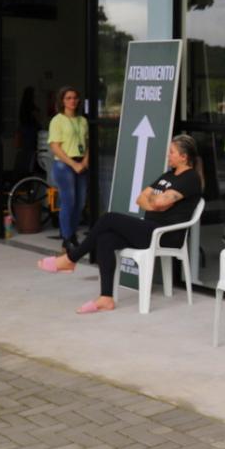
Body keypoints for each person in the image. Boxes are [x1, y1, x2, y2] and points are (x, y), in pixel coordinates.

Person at [36, 134, 203, 314]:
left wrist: (155, 200)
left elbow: (158, 202)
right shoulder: (169, 175)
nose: (167, 155)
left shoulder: (190, 178)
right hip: (148, 229)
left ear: (184, 157)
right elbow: (141, 198)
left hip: (164, 235)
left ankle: (71, 259)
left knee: (109, 218)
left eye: (171, 152)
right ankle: (106, 298)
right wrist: (156, 201)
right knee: (105, 239)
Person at [47, 86, 89, 252]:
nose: (72, 101)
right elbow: (55, 147)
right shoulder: (57, 120)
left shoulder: (83, 120)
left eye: (75, 97)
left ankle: (73, 234)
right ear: (62, 101)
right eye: (68, 98)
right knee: (68, 202)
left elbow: (88, 143)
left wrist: (85, 162)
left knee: (80, 203)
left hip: (81, 164)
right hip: (65, 165)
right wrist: (74, 164)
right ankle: (67, 237)